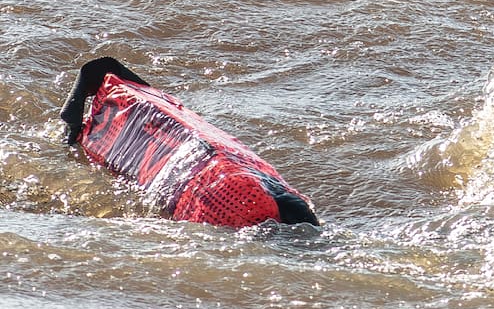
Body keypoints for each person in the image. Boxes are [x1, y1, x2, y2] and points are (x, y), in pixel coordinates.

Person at [60, 57, 318, 228]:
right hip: (249, 179)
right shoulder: (150, 108)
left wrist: (71, 134)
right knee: (297, 236)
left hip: (224, 187)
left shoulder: (122, 116)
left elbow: (96, 69)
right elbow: (99, 68)